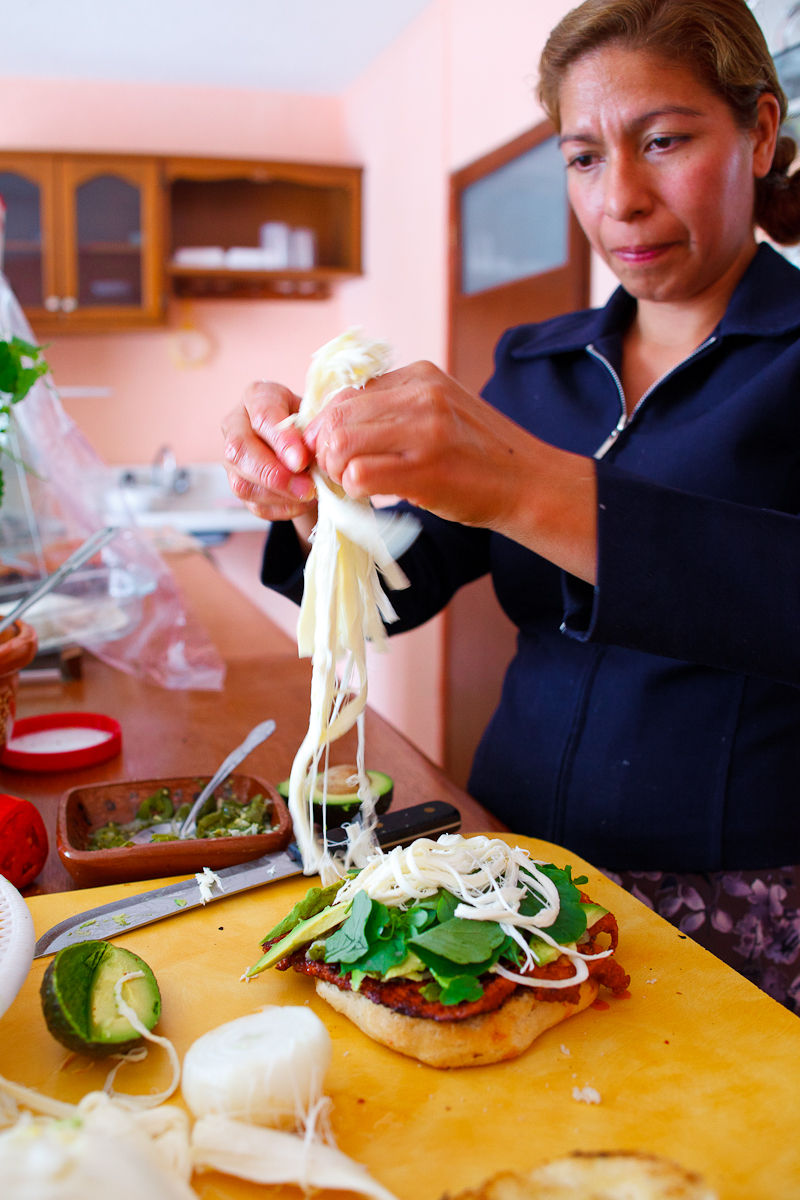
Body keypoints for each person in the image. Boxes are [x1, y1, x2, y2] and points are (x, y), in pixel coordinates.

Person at [223, 0, 800, 1011]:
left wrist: (529, 486)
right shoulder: (536, 362)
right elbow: (403, 581)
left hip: (733, 891)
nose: (617, 198)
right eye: (581, 157)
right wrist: (315, 498)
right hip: (503, 852)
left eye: (662, 140)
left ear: (756, 132)